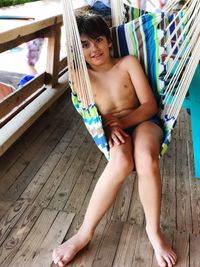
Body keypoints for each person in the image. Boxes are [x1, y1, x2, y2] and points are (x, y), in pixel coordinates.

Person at [52, 13, 177, 267]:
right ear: (78, 50)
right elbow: (92, 118)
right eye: (84, 45)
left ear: (109, 41)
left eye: (98, 40)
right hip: (109, 130)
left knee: (145, 158)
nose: (94, 49)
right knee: (120, 162)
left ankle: (154, 233)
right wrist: (106, 130)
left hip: (143, 122)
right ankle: (83, 234)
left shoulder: (127, 63)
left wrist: (120, 123)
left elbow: (150, 106)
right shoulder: (81, 77)